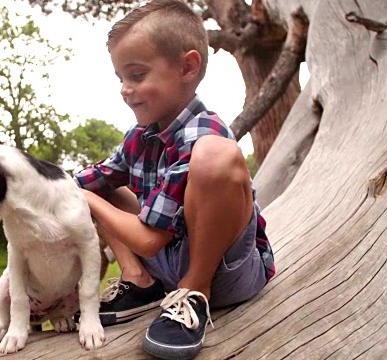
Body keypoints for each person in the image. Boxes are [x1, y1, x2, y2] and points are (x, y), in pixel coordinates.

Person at [73, 0, 276, 358]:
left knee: (216, 156)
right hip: (166, 262)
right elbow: (88, 182)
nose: (124, 88)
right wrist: (45, 186)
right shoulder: (139, 136)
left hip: (226, 270)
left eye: (136, 75)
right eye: (120, 78)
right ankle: (139, 281)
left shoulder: (205, 131)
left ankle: (194, 294)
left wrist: (86, 200)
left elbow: (150, 240)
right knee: (100, 185)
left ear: (187, 66)